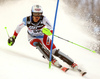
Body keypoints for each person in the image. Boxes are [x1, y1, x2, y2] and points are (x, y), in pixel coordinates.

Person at [8, 5, 86, 75]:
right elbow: (19, 27)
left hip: (43, 36)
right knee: (38, 44)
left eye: (39, 14)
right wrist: (13, 38)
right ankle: (52, 59)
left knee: (55, 51)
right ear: (32, 13)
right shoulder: (27, 20)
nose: (37, 16)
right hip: (32, 37)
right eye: (35, 14)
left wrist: (49, 32)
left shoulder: (44, 19)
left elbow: (51, 28)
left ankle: (72, 63)